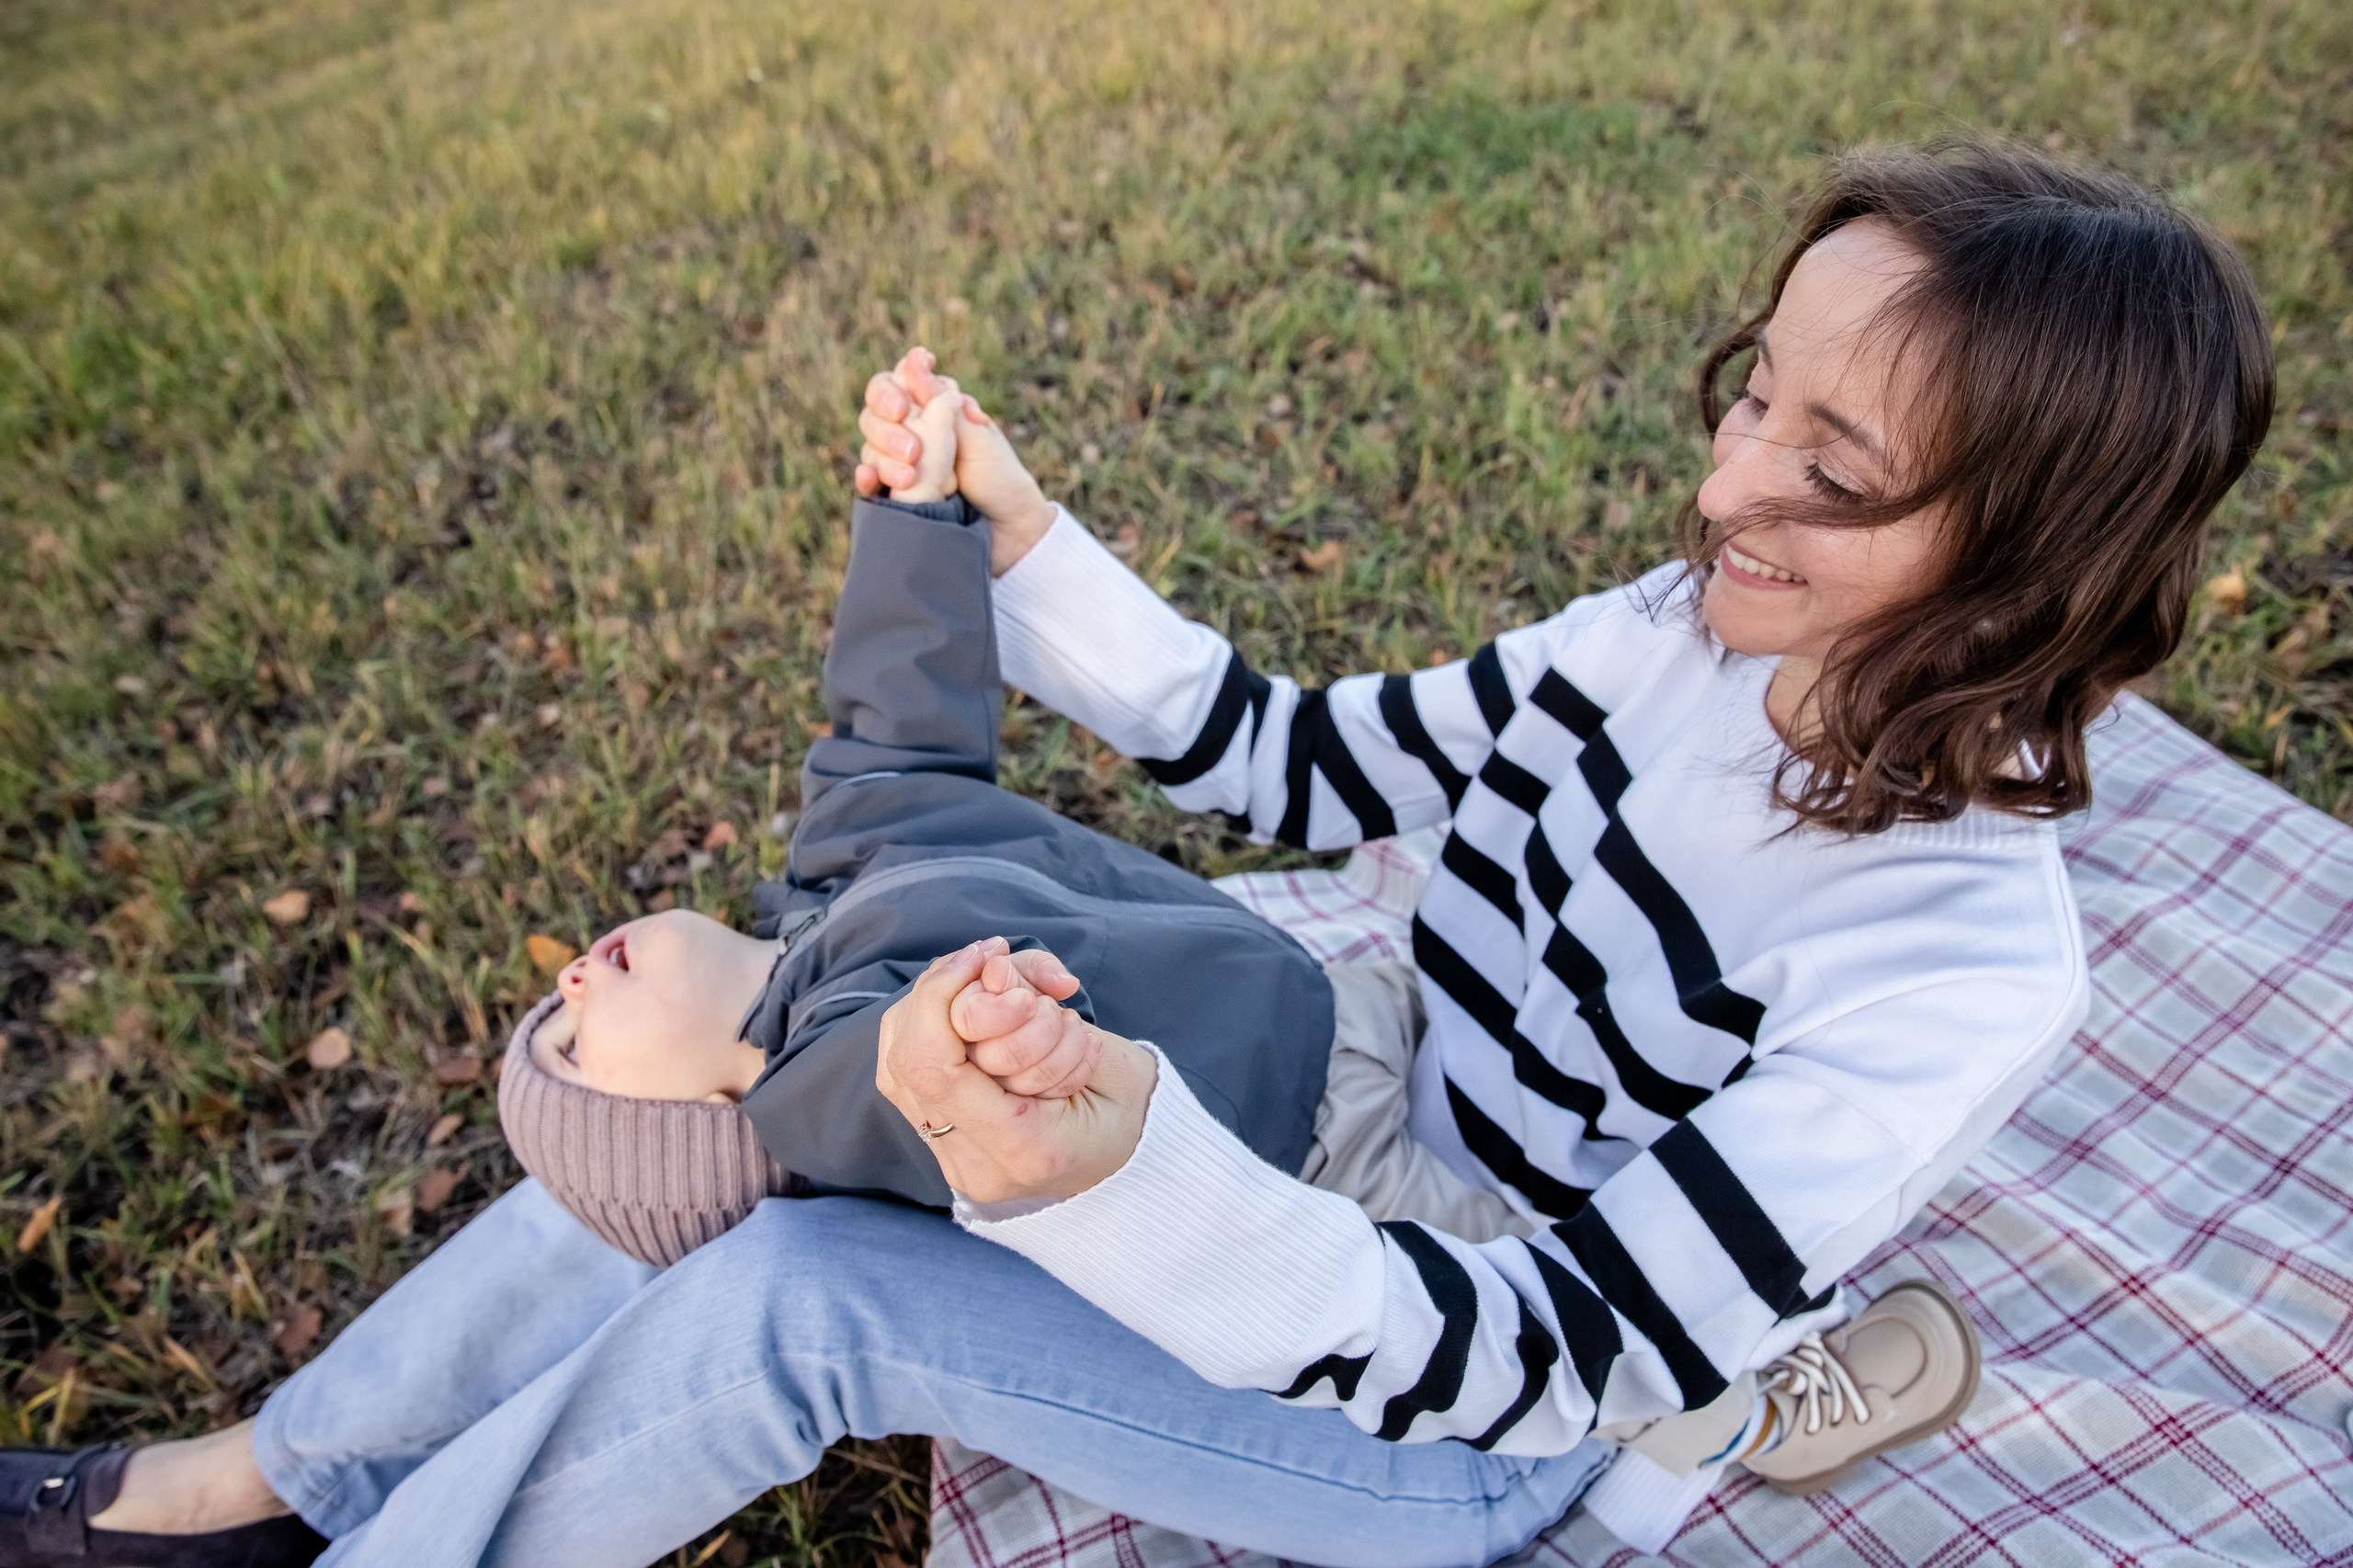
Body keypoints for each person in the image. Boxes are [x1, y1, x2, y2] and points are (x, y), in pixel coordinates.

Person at [0, 137, 2272, 1568]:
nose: (1717, 490)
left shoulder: (1961, 958)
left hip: (1463, 1391)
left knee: (800, 1286)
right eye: (1746, 387)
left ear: (2033, 553)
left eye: (1830, 466)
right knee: (728, 1071)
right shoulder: (1669, 631)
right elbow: (1286, 761)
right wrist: (1019, 534)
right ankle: (271, 1478)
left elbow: (1546, 1341)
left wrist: (1115, 1180)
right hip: (1348, 1069)